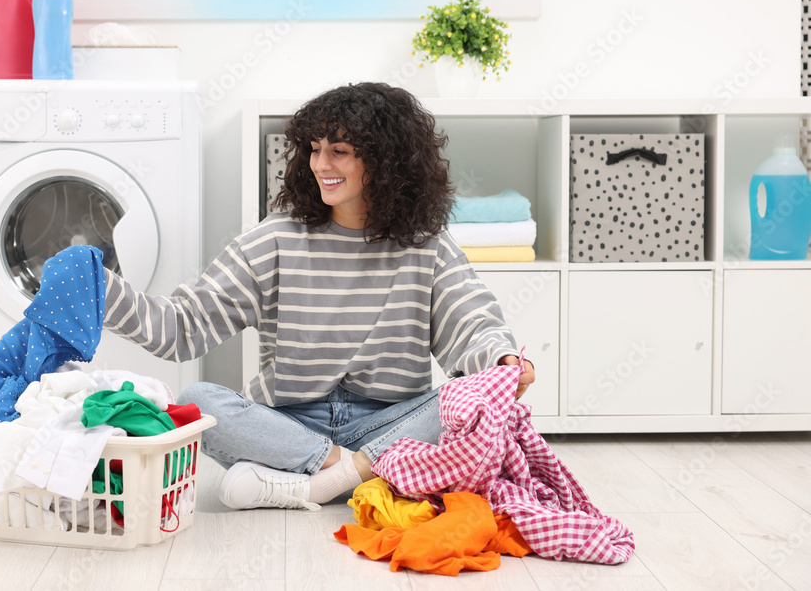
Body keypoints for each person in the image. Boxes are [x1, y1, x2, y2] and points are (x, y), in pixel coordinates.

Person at [101, 81, 535, 511]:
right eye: (314, 148)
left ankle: (302, 485)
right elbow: (183, 328)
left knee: (477, 394)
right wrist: (102, 290)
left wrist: (501, 362)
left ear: (386, 162)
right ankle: (358, 476)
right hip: (288, 426)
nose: (320, 163)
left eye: (339, 151)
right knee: (198, 401)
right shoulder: (274, 239)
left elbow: (473, 321)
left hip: (388, 425)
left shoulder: (427, 246)